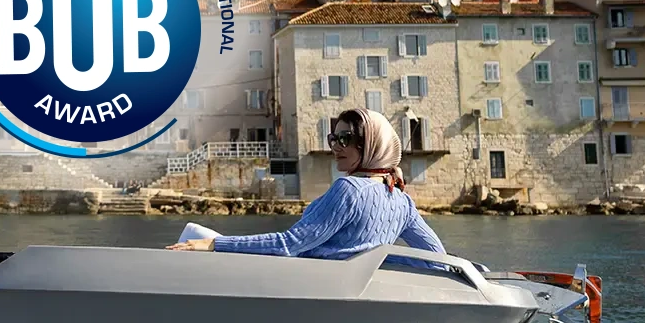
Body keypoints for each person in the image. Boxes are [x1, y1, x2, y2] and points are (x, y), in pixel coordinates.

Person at [167, 108, 445, 258]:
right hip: (338, 288)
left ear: (371, 144)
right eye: (333, 138)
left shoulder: (348, 190)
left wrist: (216, 244)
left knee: (193, 234)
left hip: (300, 282)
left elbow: (291, 244)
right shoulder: (402, 200)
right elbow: (435, 256)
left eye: (345, 139)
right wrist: (385, 262)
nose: (336, 146)